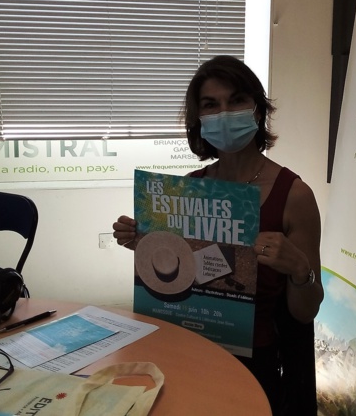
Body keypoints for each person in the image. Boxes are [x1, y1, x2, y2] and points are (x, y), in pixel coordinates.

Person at [113, 55, 323, 415]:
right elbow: (180, 278)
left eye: (237, 100)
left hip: (256, 361)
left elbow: (305, 313)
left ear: (258, 109)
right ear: (198, 118)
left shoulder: (294, 195)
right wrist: (145, 243)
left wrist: (300, 270)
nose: (224, 113)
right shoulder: (189, 190)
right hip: (188, 348)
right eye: (211, 105)